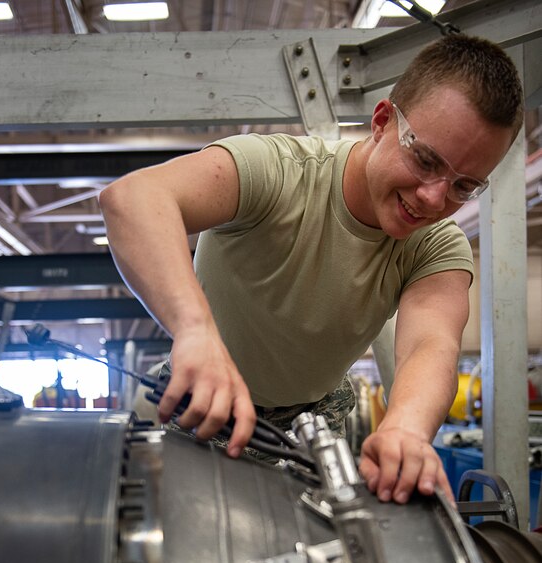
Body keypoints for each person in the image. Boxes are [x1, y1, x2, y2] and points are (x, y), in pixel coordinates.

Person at [99, 33, 523, 505]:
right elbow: (133, 200)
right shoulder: (279, 172)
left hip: (314, 427)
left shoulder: (438, 246)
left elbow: (431, 345)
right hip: (196, 409)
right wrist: (195, 332)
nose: (433, 198)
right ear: (381, 122)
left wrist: (405, 428)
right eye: (424, 160)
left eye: (463, 186)